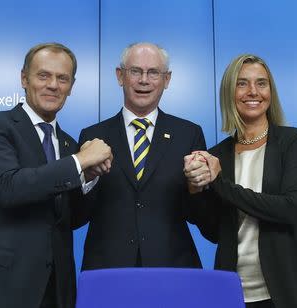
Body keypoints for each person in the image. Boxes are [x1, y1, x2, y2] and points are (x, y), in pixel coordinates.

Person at [0, 42, 112, 308]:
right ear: (24, 79)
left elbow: (68, 219)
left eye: (62, 78)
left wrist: (89, 176)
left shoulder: (68, 145)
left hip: (54, 289)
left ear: (71, 86)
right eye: (43, 75)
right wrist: (80, 161)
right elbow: (8, 188)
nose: (53, 85)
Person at [184, 54, 297, 308]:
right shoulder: (218, 155)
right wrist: (196, 191)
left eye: (261, 83)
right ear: (229, 92)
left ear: (270, 91)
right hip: (234, 292)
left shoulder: (292, 141)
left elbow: (290, 208)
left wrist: (220, 183)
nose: (253, 91)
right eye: (242, 83)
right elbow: (215, 233)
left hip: (291, 289)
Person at [74, 42, 209, 270]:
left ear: (167, 80)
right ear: (120, 76)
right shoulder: (93, 136)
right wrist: (86, 177)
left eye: (153, 72)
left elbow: (201, 216)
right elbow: (77, 214)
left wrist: (198, 186)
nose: (143, 80)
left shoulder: (188, 134)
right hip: (109, 269)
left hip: (172, 267)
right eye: (135, 71)